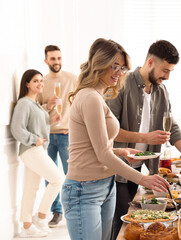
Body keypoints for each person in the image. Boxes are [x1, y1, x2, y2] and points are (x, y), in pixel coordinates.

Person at [107, 39, 181, 240]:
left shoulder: (161, 91)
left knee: (139, 224)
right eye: (165, 70)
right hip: (118, 169)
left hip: (140, 167)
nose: (167, 76)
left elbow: (173, 129)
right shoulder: (122, 84)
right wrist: (144, 137)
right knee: (123, 226)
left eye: (170, 72)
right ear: (150, 62)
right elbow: (109, 130)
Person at [61, 38, 170, 240]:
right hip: (84, 191)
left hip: (105, 185)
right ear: (99, 64)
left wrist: (121, 152)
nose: (119, 73)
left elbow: (97, 147)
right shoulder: (90, 97)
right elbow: (102, 153)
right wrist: (143, 179)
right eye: (114, 66)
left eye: (122, 67)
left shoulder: (97, 97)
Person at [11, 69, 64, 238]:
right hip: (32, 149)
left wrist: (50, 118)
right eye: (35, 81)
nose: (40, 83)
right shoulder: (24, 103)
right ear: (27, 83)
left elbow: (37, 121)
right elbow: (16, 129)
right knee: (57, 179)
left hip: (37, 149)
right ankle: (40, 217)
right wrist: (35, 139)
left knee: (31, 188)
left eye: (41, 80)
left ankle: (27, 226)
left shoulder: (34, 104)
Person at [37, 45, 77, 228]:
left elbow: (79, 105)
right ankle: (57, 212)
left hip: (66, 135)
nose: (57, 62)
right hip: (47, 136)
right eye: (53, 59)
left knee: (72, 174)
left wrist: (75, 128)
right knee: (50, 176)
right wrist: (47, 106)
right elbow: (36, 112)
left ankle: (74, 210)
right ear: (46, 61)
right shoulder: (41, 82)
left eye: (59, 58)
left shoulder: (72, 79)